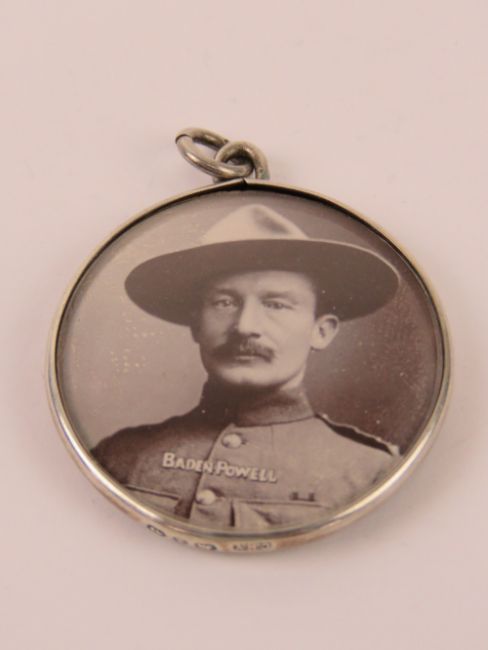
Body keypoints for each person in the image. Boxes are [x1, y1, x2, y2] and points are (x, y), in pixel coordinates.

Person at [93, 203, 400, 530]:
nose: (244, 326)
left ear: (321, 331)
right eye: (224, 302)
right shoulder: (121, 456)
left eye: (276, 305)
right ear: (196, 325)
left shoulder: (368, 472)